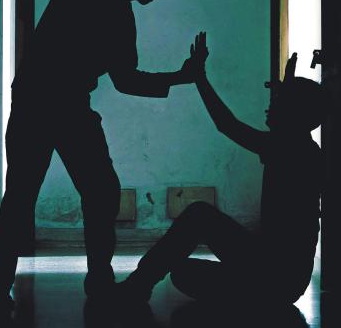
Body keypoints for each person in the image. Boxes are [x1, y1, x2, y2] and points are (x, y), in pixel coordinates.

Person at [0, 0, 194, 311]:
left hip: (61, 104)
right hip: (43, 101)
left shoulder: (112, 5)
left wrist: (180, 77)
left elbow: (125, 79)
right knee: (39, 195)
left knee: (83, 191)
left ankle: (89, 279)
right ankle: (68, 281)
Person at [117, 32, 328, 306]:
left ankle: (137, 285)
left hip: (275, 278)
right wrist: (287, 89)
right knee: (183, 271)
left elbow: (226, 124)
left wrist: (199, 78)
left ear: (292, 113)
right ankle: (140, 284)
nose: (269, 106)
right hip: (286, 280)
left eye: (277, 102)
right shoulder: (301, 147)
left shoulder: (288, 148)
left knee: (198, 218)